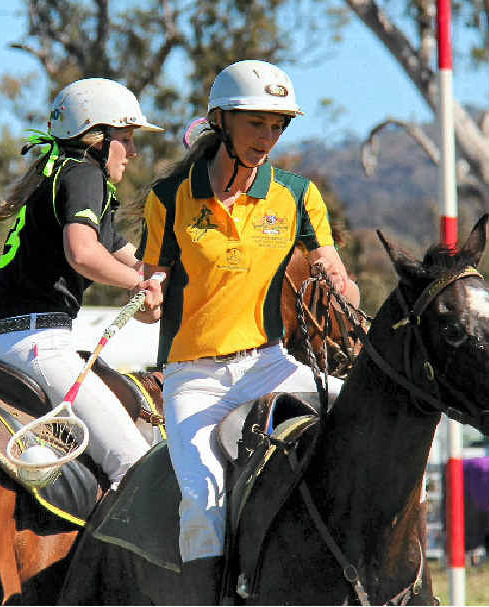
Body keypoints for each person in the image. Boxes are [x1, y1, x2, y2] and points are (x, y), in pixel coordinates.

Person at [136, 59, 358, 602]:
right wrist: (145, 299)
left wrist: (340, 287)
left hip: (269, 364)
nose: (269, 137)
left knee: (364, 416)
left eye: (278, 125)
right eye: (257, 123)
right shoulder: (169, 198)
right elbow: (148, 290)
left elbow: (336, 273)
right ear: (220, 121)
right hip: (194, 379)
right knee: (202, 498)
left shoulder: (298, 194)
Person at [0, 78, 165, 486]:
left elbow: (137, 264)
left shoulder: (60, 176)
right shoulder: (84, 175)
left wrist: (157, 284)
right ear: (96, 138)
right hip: (35, 347)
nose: (133, 151)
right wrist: (137, 286)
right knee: (138, 468)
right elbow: (84, 253)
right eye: (125, 139)